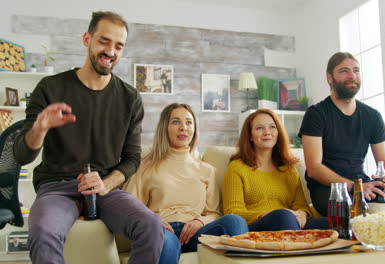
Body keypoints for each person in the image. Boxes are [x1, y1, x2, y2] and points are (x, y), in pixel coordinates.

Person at [13, 11, 164, 263]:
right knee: (43, 232)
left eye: (118, 46)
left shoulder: (130, 98)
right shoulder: (50, 88)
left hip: (106, 190)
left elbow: (132, 158)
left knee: (151, 225)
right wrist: (40, 128)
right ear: (87, 39)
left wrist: (107, 182)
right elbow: (21, 154)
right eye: (104, 41)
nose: (110, 52)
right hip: (56, 187)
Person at [299, 51, 385, 264]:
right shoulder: (316, 114)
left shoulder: (372, 116)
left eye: (356, 71)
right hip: (328, 190)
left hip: (362, 184)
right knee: (350, 220)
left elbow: (384, 158)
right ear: (330, 77)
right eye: (344, 71)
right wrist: (355, 187)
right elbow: (314, 168)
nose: (352, 76)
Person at [125, 103, 248, 264]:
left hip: (196, 233)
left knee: (235, 221)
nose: (183, 128)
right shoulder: (145, 166)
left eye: (189, 122)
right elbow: (130, 208)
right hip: (163, 229)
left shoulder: (206, 170)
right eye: (176, 122)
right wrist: (152, 221)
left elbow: (215, 213)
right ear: (165, 127)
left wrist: (200, 221)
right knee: (164, 241)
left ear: (194, 128)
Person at [222, 109, 328, 232]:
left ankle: (297, 241)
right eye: (259, 128)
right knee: (283, 216)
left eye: (272, 127)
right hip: (256, 226)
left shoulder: (289, 169)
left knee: (337, 223)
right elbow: (233, 211)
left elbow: (301, 205)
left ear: (278, 132)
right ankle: (296, 243)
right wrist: (265, 214)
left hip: (291, 224)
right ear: (250, 136)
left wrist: (302, 214)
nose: (267, 132)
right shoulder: (237, 167)